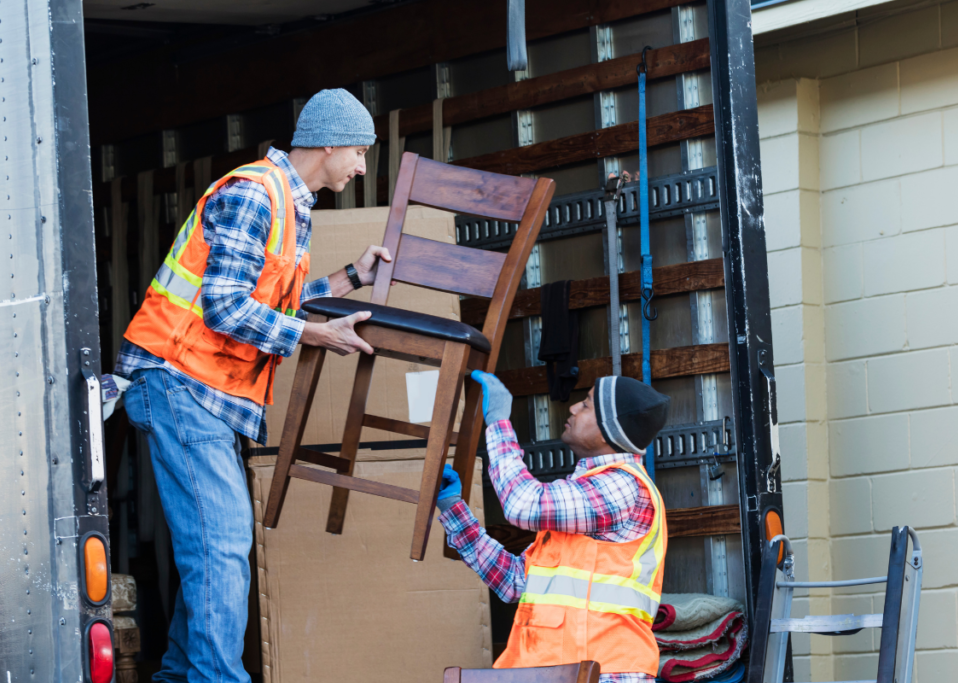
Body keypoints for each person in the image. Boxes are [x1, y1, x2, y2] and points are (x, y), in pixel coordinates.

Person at [117, 89, 383, 683]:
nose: (362, 167)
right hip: (180, 381)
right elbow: (224, 308)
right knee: (222, 547)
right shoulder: (253, 195)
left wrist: (351, 278)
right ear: (329, 141)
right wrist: (319, 337)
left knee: (217, 548)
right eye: (360, 152)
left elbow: (276, 302)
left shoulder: (293, 205)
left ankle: (182, 675)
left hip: (205, 394)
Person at [437, 372, 670, 682]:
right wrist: (454, 509)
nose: (573, 408)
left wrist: (498, 426)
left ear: (607, 432)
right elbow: (515, 582)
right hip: (552, 672)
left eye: (586, 405)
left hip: (607, 673)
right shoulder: (583, 496)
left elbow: (522, 504)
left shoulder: (623, 486)